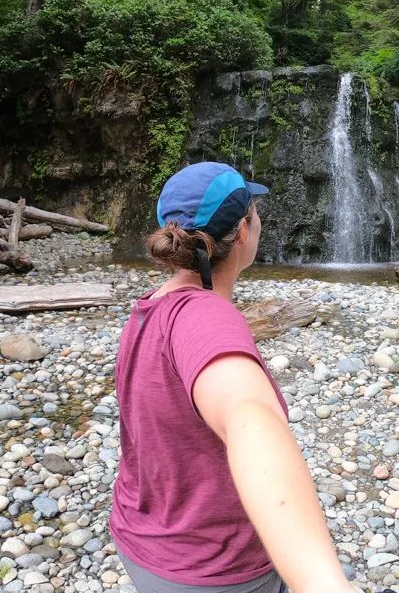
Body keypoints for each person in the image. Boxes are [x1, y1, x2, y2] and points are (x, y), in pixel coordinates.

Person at [110, 161, 358, 593]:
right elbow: (251, 418)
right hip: (215, 571)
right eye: (255, 210)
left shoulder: (153, 306)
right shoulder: (205, 318)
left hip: (144, 540)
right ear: (244, 230)